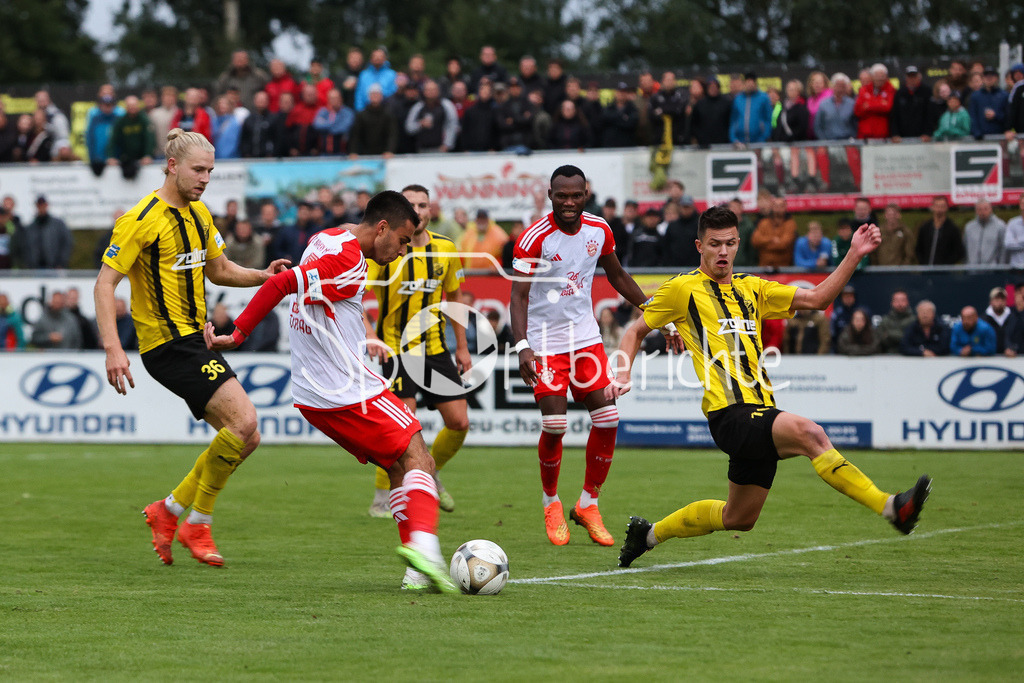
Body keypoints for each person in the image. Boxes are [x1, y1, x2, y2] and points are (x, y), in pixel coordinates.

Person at [611, 205, 931, 569]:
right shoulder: (682, 288)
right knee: (812, 434)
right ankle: (892, 507)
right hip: (729, 414)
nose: (723, 252)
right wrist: (622, 374)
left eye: (730, 243)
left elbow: (817, 300)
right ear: (699, 245)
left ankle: (648, 534)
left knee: (738, 518)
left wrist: (854, 254)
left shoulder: (754, 288)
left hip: (758, 411)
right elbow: (635, 330)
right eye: (714, 244)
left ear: (738, 244)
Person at [204, 190, 457, 593]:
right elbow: (284, 283)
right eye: (404, 240)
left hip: (314, 392)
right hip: (346, 388)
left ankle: (415, 573)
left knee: (397, 466)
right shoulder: (349, 259)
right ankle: (427, 551)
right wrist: (238, 333)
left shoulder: (328, 237)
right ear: (382, 228)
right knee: (418, 456)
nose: (404, 249)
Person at [94, 129, 290, 568]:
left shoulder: (200, 214)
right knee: (244, 420)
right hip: (166, 345)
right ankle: (196, 523)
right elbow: (104, 284)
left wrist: (264, 276)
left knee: (247, 437)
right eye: (197, 170)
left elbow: (219, 269)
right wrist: (113, 347)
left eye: (210, 171)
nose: (204, 178)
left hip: (194, 340)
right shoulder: (140, 218)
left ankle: (169, 510)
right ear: (172, 166)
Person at [510, 165, 682, 547]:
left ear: (585, 194)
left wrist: (659, 318)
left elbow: (617, 276)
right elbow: (518, 297)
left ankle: (588, 504)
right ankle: (551, 502)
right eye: (561, 195)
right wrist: (523, 346)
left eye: (576, 195)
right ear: (550, 195)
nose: (569, 202)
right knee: (555, 425)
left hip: (584, 339)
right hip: (544, 344)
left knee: (608, 417)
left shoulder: (599, 229)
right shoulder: (532, 239)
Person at [362, 184, 472, 522]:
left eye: (423, 205)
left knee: (459, 422)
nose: (418, 210)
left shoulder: (446, 249)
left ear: (430, 209)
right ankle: (383, 496)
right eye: (411, 205)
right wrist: (370, 336)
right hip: (395, 347)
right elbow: (355, 297)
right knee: (403, 428)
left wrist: (463, 346)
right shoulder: (387, 250)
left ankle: (429, 471)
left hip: (434, 347)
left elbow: (454, 298)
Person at [107, 95, 154, 179]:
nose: (132, 108)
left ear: (138, 106)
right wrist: (111, 157)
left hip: (141, 159)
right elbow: (113, 139)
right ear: (126, 107)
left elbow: (150, 139)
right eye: (130, 106)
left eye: (134, 105)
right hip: (126, 158)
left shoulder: (144, 119)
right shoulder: (120, 121)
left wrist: (148, 155)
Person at [21, 196, 72, 269]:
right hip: (36, 268)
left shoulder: (58, 225)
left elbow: (67, 243)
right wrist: (29, 264)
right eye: (39, 205)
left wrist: (61, 262)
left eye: (43, 205)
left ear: (47, 205)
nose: (41, 208)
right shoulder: (31, 228)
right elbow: (26, 247)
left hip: (55, 267)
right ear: (36, 206)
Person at [915, 196, 965, 265]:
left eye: (942, 206)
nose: (939, 209)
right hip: (926, 272)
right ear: (932, 207)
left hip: (945, 272)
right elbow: (918, 249)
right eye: (937, 206)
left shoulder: (953, 229)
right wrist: (923, 262)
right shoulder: (925, 228)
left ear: (946, 208)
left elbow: (959, 251)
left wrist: (947, 264)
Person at [750, 196, 797, 267]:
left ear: (785, 208)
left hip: (784, 269)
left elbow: (783, 245)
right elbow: (755, 241)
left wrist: (764, 246)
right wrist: (772, 239)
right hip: (764, 267)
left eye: (781, 206)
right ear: (772, 207)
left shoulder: (790, 224)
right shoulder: (763, 223)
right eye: (776, 206)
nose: (778, 208)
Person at [853, 63, 895, 139]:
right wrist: (880, 104)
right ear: (872, 77)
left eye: (882, 76)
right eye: (877, 76)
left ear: (886, 77)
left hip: (883, 135)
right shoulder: (863, 90)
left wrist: (868, 105)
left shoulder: (891, 90)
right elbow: (858, 111)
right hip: (865, 134)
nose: (880, 78)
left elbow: (888, 108)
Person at [729, 73, 772, 145]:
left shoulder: (764, 98)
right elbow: (733, 120)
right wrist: (734, 139)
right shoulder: (738, 98)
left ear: (755, 83)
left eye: (752, 82)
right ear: (744, 83)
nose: (750, 84)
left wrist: (763, 138)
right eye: (748, 82)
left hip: (758, 142)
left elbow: (768, 119)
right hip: (740, 142)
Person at [890, 66, 931, 142]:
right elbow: (895, 115)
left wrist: (927, 132)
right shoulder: (899, 93)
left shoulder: (927, 91)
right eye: (910, 76)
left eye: (914, 76)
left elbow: (929, 114)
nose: (912, 79)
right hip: (903, 137)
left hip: (922, 137)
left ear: (919, 77)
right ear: (906, 78)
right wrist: (895, 134)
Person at [963, 199, 1006, 265]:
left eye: (985, 209)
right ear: (976, 211)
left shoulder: (1000, 226)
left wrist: (1001, 266)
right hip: (972, 270)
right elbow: (965, 248)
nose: (982, 212)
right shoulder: (969, 227)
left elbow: (1003, 249)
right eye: (979, 209)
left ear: (991, 209)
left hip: (993, 271)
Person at [969, 66, 1007, 139]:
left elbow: (1008, 117)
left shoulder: (1004, 96)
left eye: (992, 76)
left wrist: (996, 115)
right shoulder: (975, 96)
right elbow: (972, 116)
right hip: (980, 139)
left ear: (997, 78)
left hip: (1000, 137)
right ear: (983, 79)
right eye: (986, 76)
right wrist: (977, 133)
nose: (989, 78)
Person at [876, 289, 916, 354]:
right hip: (887, 356)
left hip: (910, 356)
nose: (900, 304)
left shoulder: (914, 320)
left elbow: (912, 340)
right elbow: (880, 339)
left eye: (902, 300)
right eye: (897, 300)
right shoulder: (885, 320)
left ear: (907, 302)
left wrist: (889, 334)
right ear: (892, 303)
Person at [981, 287, 1015, 354]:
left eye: (1002, 299)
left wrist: (1012, 348)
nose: (999, 302)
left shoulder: (1013, 318)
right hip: (988, 357)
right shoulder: (983, 320)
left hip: (1011, 358)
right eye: (996, 298)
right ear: (991, 301)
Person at [1004, 195, 1024, 268]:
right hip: (1016, 269)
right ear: (1020, 205)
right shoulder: (1012, 223)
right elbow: (1008, 244)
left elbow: (1012, 243)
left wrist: (1017, 240)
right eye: (1022, 204)